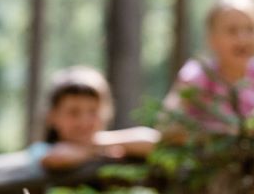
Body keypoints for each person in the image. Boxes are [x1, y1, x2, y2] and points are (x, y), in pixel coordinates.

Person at [163, 0, 254, 132]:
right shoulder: (199, 74)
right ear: (212, 39)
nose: (243, 39)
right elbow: (168, 117)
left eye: (251, 29)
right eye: (232, 31)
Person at [30, 66, 159, 170]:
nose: (84, 121)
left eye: (93, 111)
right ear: (52, 116)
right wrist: (96, 150)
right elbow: (56, 158)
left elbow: (153, 141)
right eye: (73, 112)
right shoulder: (41, 150)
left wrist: (97, 146)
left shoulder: (104, 142)